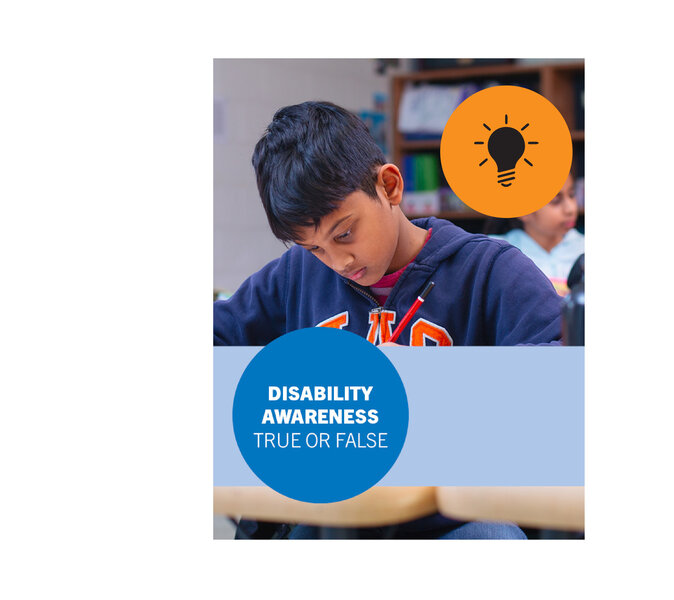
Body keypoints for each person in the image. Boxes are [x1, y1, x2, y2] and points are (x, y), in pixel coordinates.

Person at [215, 101, 563, 538]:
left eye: (345, 233)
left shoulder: (489, 270)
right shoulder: (296, 277)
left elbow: (565, 376)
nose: (338, 261)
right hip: (334, 515)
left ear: (390, 186)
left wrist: (441, 378)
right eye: (315, 248)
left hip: (455, 518)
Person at [484, 174, 584, 296]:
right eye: (555, 201)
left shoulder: (584, 247)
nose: (570, 209)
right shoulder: (495, 252)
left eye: (572, 195)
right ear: (523, 210)